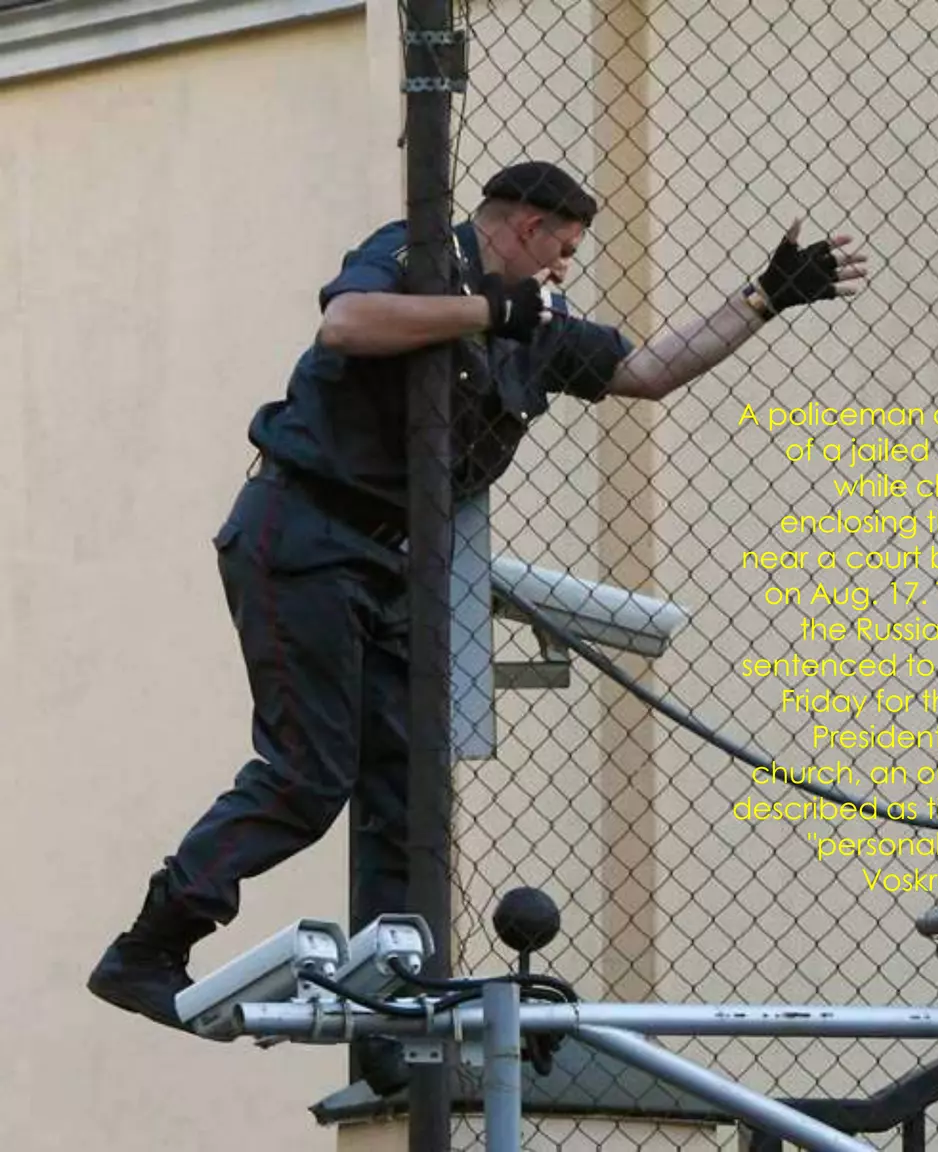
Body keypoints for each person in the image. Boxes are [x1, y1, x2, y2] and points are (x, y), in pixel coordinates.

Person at [85, 161, 868, 1072]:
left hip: (392, 564)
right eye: (561, 251)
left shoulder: (534, 324)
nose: (563, 272)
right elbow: (346, 323)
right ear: (524, 227)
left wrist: (764, 299)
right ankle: (149, 945)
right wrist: (493, 312)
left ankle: (393, 1004)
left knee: (407, 783)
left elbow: (647, 371)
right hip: (300, 534)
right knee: (309, 774)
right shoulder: (421, 261)